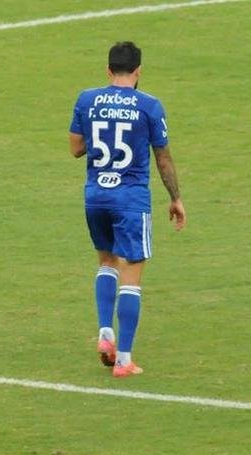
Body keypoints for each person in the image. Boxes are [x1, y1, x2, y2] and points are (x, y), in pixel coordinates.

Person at [69, 41, 185, 377]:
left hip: (95, 195)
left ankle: (105, 332)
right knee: (131, 278)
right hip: (130, 199)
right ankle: (123, 360)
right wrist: (175, 197)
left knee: (106, 262)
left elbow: (76, 148)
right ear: (138, 72)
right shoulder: (149, 105)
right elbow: (162, 156)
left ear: (108, 70)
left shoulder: (87, 100)